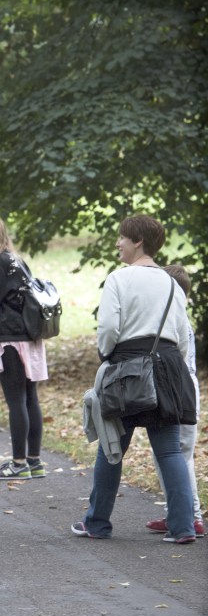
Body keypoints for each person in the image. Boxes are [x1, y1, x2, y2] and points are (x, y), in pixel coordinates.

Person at [72, 215, 196, 543]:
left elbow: (109, 329)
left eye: (122, 238)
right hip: (169, 367)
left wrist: (107, 357)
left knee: (111, 447)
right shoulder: (172, 283)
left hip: (128, 367)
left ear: (137, 241)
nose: (117, 243)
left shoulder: (119, 279)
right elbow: (182, 337)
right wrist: (169, 365)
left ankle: (97, 524)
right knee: (169, 451)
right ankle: (183, 527)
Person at [0, 215, 48, 480]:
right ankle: (34, 461)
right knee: (30, 399)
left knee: (16, 400)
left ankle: (18, 464)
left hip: (10, 339)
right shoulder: (16, 260)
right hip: (28, 337)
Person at [144, 264, 203, 537]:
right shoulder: (182, 319)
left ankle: (188, 516)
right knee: (178, 455)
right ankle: (184, 514)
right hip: (188, 387)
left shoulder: (171, 322)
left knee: (173, 454)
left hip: (175, 386)